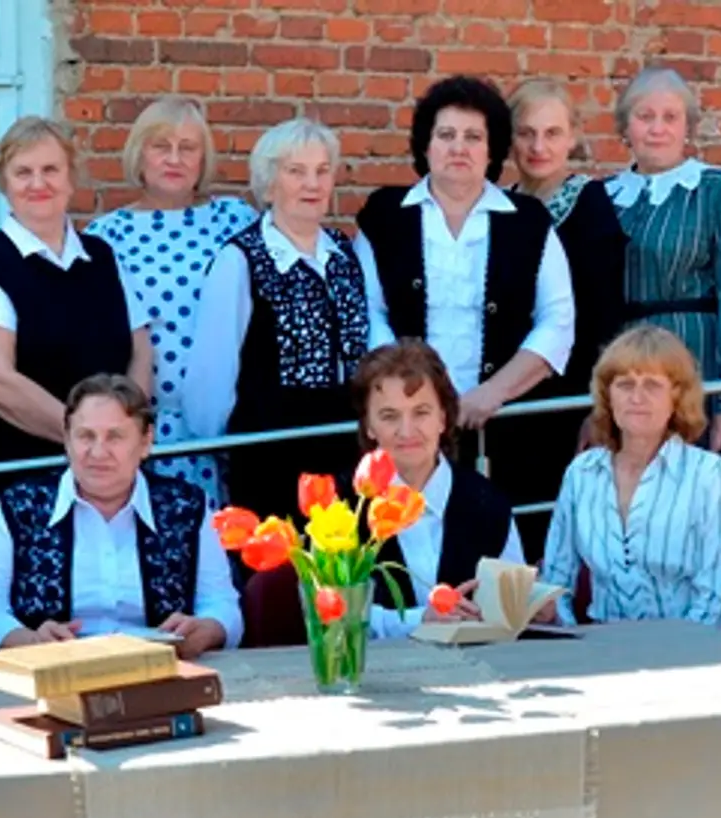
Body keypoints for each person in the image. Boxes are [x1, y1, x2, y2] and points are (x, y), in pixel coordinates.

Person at [353, 76, 575, 445]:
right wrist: (412, 394)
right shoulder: (384, 216)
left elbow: (557, 319)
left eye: (473, 137)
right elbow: (368, 312)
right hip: (405, 426)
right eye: (446, 135)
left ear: (491, 150)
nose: (459, 148)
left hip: (505, 422)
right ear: (426, 145)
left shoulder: (529, 221)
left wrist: (492, 392)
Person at [0, 374, 242, 656]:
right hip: (54, 673)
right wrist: (30, 641)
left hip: (163, 669)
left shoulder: (186, 506)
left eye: (115, 436)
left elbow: (222, 603)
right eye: (85, 436)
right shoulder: (19, 508)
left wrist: (205, 631)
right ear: (67, 439)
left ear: (146, 441)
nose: (98, 452)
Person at [183, 117, 371, 521]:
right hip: (272, 455)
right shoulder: (240, 259)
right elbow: (212, 373)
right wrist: (228, 445)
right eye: (296, 171)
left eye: (322, 171)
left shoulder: (344, 252)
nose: (312, 184)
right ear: (269, 185)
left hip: (345, 450)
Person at [87, 96, 258, 508]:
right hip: (145, 426)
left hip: (228, 423)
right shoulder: (106, 235)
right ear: (139, 154)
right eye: (161, 146)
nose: (175, 158)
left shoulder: (236, 219)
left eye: (188, 147)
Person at [0, 117, 153, 468]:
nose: (38, 183)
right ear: (4, 184)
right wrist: (87, 438)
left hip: (113, 470)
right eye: (23, 172)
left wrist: (127, 432)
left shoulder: (103, 257)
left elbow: (140, 351)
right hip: (21, 470)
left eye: (50, 170)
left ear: (71, 178)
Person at [605, 67, 721, 460]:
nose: (657, 128)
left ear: (688, 127)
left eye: (670, 117)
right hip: (623, 367)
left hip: (693, 360)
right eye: (645, 116)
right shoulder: (605, 196)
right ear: (625, 127)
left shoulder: (718, 188)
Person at [538, 325, 721, 628]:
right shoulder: (581, 472)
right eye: (625, 385)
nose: (637, 397)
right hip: (596, 645)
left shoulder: (710, 474)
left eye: (652, 385)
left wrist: (677, 653)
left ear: (677, 397)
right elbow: (555, 584)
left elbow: (715, 601)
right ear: (608, 395)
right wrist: (573, 638)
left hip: (685, 648)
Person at [354, 340, 524, 640]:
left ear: (443, 418)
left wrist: (536, 609)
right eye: (389, 416)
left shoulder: (487, 502)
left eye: (421, 412)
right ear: (369, 425)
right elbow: (330, 612)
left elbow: (515, 612)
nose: (406, 431)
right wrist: (420, 620)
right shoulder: (341, 509)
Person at [508, 77, 628, 481]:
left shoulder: (589, 205)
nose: (538, 147)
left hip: (567, 392)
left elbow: (605, 317)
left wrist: (598, 407)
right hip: (509, 389)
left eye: (552, 133)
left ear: (572, 137)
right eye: (526, 133)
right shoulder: (502, 205)